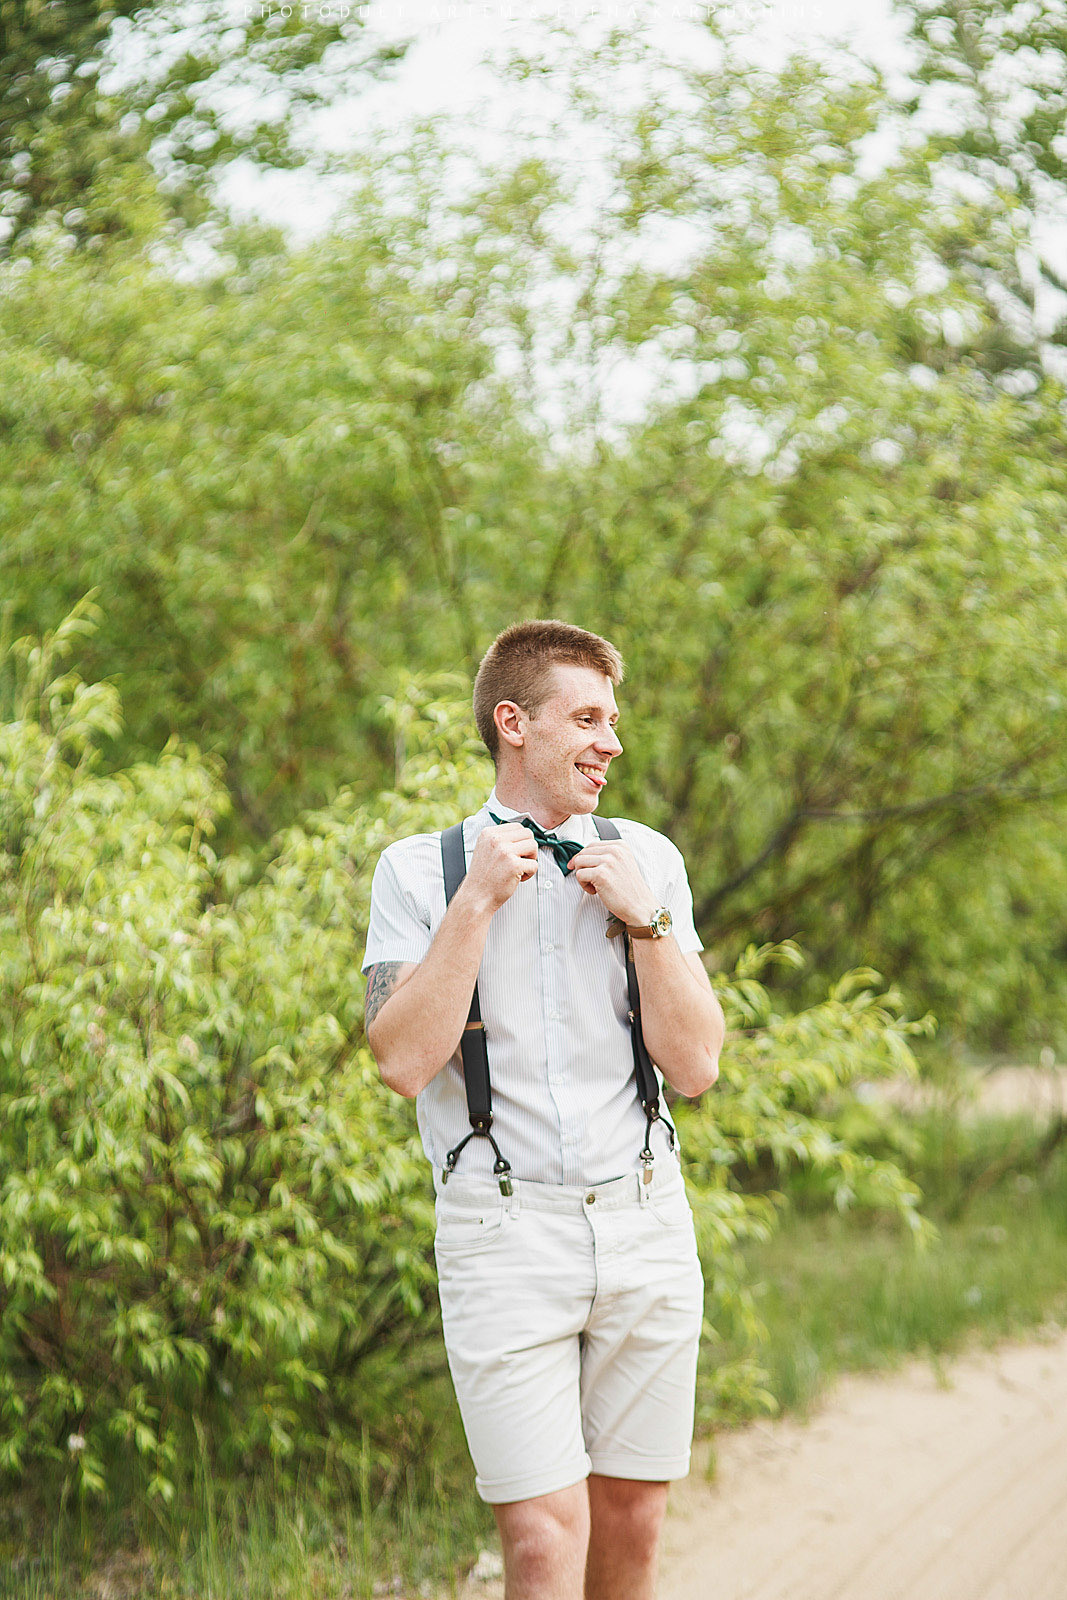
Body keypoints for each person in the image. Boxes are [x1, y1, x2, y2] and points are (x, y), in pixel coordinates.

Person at [362, 620, 724, 1600]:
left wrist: (645, 919)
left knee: (631, 1526)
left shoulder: (646, 857)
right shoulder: (417, 872)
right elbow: (400, 1060)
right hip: (502, 1234)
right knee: (537, 1542)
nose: (610, 741)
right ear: (513, 722)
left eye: (613, 720)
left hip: (645, 1221)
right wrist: (474, 903)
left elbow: (694, 1063)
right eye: (589, 717)